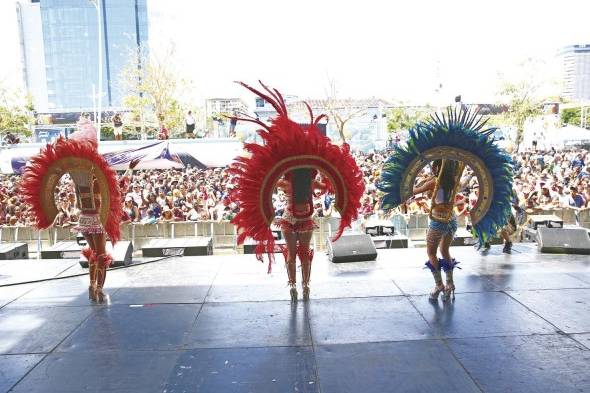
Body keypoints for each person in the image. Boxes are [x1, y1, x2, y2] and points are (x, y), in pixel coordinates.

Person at [21, 117, 127, 303]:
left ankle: (91, 285)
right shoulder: (96, 171)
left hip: (84, 219)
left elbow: (79, 203)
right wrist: (128, 175)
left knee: (93, 254)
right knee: (101, 255)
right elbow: (114, 191)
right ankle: (99, 289)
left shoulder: (75, 174)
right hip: (97, 219)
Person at [413, 159, 464, 301]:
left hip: (438, 222)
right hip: (451, 220)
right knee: (444, 251)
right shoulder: (456, 181)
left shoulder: (434, 182)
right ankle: (450, 284)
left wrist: (420, 182)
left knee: (431, 253)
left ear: (437, 168)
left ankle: (439, 285)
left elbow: (413, 191)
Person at [276, 169, 327, 301]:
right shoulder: (312, 182)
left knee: (291, 254)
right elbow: (327, 187)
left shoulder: (285, 183)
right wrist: (324, 173)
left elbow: (269, 182)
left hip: (289, 220)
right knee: (305, 253)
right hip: (305, 220)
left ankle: (292, 285)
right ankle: (305, 285)